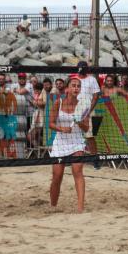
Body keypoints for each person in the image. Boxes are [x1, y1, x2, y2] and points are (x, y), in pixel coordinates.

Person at [49, 77, 89, 213]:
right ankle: (53, 206)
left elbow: (86, 128)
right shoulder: (58, 103)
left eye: (78, 86)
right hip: (60, 142)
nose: (76, 88)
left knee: (77, 171)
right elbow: (51, 123)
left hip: (77, 141)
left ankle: (80, 208)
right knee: (57, 175)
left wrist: (79, 122)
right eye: (73, 85)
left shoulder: (82, 104)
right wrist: (62, 129)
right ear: (67, 88)